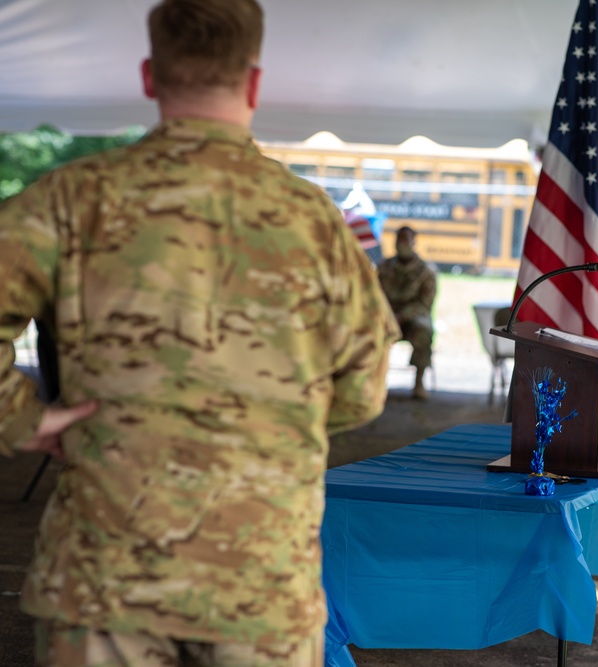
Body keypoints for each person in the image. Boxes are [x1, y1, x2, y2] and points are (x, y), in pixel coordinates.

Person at [0, 0, 399, 664]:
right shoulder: (314, 221)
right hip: (260, 585)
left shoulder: (73, 199)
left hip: (104, 581)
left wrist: (24, 420)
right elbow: (364, 390)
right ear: (253, 83)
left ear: (150, 75)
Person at [378, 226, 438, 399]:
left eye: (406, 240)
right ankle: (375, 381)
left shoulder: (425, 271)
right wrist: (388, 316)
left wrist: (402, 315)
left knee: (424, 330)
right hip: (387, 317)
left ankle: (419, 382)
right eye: (399, 240)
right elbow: (375, 297)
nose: (402, 245)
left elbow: (425, 304)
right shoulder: (384, 268)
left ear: (413, 243)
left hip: (412, 318)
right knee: (370, 332)